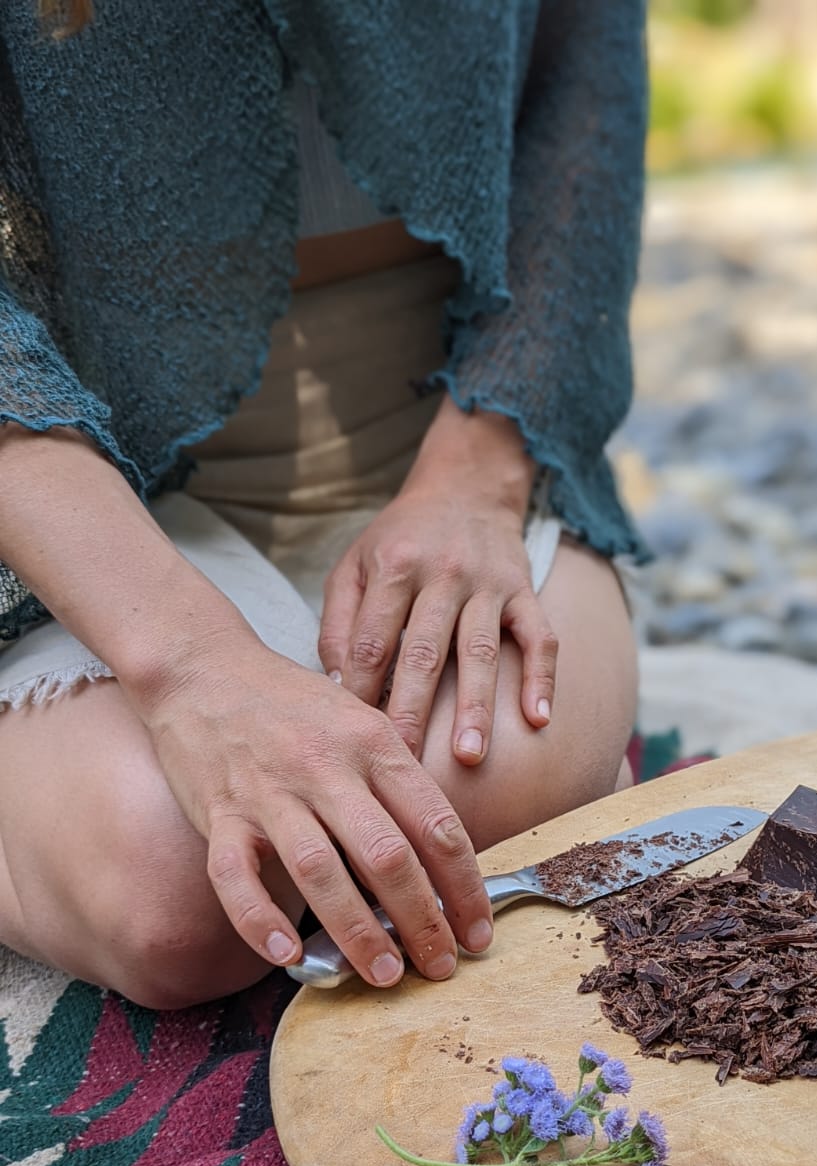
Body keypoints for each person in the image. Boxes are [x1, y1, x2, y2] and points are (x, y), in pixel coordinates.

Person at [0, 0, 648, 1009]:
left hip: (447, 427)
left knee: (480, 787)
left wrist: (478, 478)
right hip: (74, 483)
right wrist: (188, 670)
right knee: (175, 888)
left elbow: (586, 83)